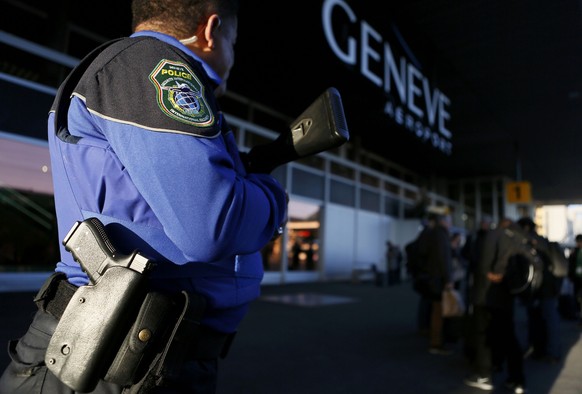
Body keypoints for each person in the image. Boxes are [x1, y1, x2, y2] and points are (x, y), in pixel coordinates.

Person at [0, 0, 288, 393]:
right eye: (233, 42)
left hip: (137, 355)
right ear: (210, 30)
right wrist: (273, 196)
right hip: (110, 360)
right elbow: (213, 225)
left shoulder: (135, 70)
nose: (232, 56)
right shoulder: (152, 66)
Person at [463, 218, 528, 393]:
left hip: (486, 295)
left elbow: (482, 264)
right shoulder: (518, 239)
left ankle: (484, 374)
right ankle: (517, 379)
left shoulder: (493, 236)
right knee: (508, 336)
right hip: (507, 296)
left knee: (484, 336)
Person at [517, 217, 563, 364]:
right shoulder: (544, 241)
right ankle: (548, 351)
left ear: (525, 228)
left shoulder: (531, 243)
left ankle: (546, 351)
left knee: (542, 321)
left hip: (540, 289)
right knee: (547, 320)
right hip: (550, 288)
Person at [418, 212, 454, 355]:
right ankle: (436, 343)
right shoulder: (440, 235)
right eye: (450, 221)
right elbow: (443, 259)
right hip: (438, 279)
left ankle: (435, 341)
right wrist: (448, 279)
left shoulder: (432, 234)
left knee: (435, 310)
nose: (451, 224)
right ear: (444, 222)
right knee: (438, 312)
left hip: (433, 277)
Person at [567, 234, 582, 325]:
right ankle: (579, 317)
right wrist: (570, 276)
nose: (579, 244)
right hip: (577, 279)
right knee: (577, 298)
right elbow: (571, 265)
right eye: (578, 242)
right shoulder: (574, 252)